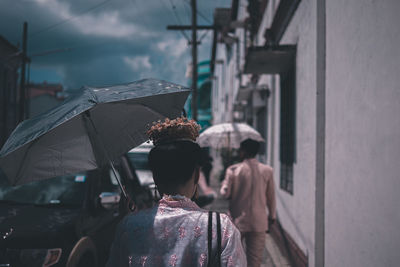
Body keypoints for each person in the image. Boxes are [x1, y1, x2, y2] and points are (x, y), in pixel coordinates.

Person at [107, 117, 246, 267]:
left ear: (155, 177)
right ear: (197, 175)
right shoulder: (221, 227)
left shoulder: (129, 226)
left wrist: (127, 225)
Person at [220, 139, 276, 267]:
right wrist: (272, 215)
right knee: (255, 261)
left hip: (237, 221)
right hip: (259, 222)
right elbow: (271, 196)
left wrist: (225, 183)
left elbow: (225, 194)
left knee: (233, 259)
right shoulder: (267, 170)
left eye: (240, 149)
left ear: (243, 152)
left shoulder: (233, 170)